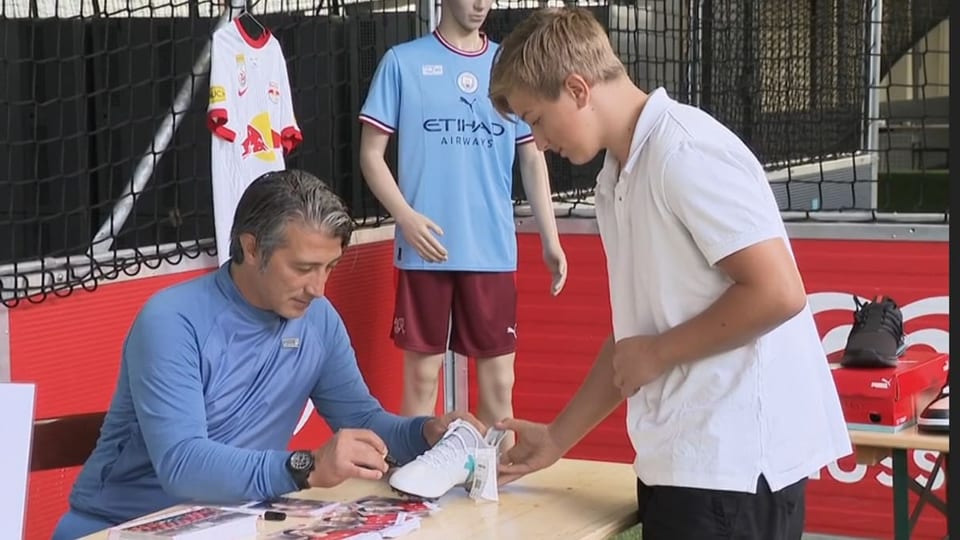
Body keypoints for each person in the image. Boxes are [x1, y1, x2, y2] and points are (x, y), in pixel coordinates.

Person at [487, 8, 852, 540]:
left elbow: (778, 292)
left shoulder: (684, 151)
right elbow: (633, 341)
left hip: (734, 472)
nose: (538, 143)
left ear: (577, 88)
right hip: (682, 465)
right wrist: (557, 438)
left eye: (537, 119)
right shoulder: (617, 177)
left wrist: (657, 354)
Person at [52, 170, 484, 540]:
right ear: (252, 248)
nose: (318, 288)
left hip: (240, 523)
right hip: (122, 527)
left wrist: (424, 432)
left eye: (329, 268)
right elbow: (182, 466)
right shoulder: (171, 320)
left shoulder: (321, 319)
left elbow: (364, 423)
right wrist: (306, 466)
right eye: (302, 268)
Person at [357, 0, 567, 450]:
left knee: (498, 386)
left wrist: (550, 239)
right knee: (420, 380)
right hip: (424, 250)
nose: (481, 4)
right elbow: (370, 156)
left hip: (490, 251)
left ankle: (498, 486)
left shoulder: (509, 67)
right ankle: (415, 480)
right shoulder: (402, 62)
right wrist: (406, 217)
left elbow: (533, 157)